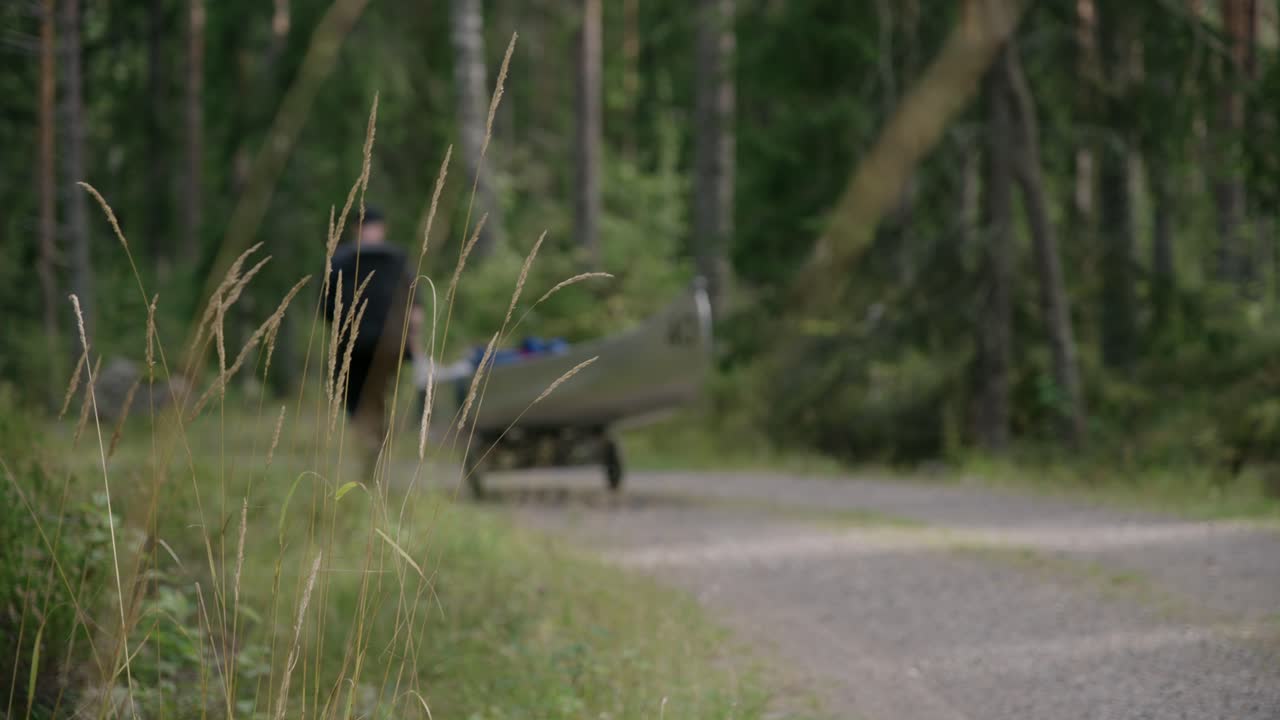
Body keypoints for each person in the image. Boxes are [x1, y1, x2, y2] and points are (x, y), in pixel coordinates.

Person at [323, 206, 421, 461]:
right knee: (366, 394)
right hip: (381, 344)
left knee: (359, 395)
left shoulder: (341, 259)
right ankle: (374, 439)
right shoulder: (395, 259)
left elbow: (325, 306)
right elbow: (415, 305)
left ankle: (372, 440)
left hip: (367, 345)